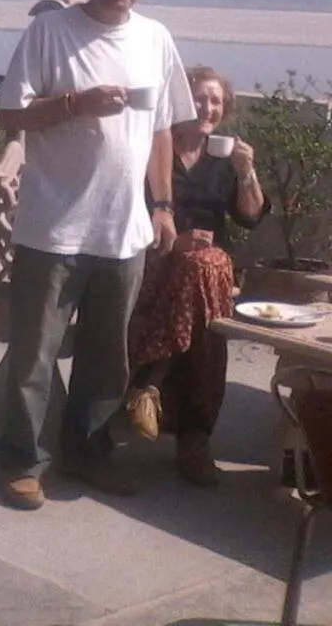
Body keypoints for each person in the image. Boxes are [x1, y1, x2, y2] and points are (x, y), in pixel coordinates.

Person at [0, 0, 197, 511]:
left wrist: (161, 206)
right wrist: (75, 105)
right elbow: (11, 114)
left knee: (107, 359)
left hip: (122, 231)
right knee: (33, 355)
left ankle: (88, 454)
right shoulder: (50, 31)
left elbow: (161, 129)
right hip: (52, 229)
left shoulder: (156, 39)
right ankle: (22, 460)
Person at [124, 65, 267, 486]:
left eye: (216, 101)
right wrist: (174, 241)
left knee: (207, 266)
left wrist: (247, 172)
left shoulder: (225, 160)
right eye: (200, 98)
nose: (208, 107)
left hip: (206, 275)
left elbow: (252, 216)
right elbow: (130, 211)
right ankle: (195, 441)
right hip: (151, 264)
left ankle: (152, 381)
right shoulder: (154, 148)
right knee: (208, 282)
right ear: (181, 101)